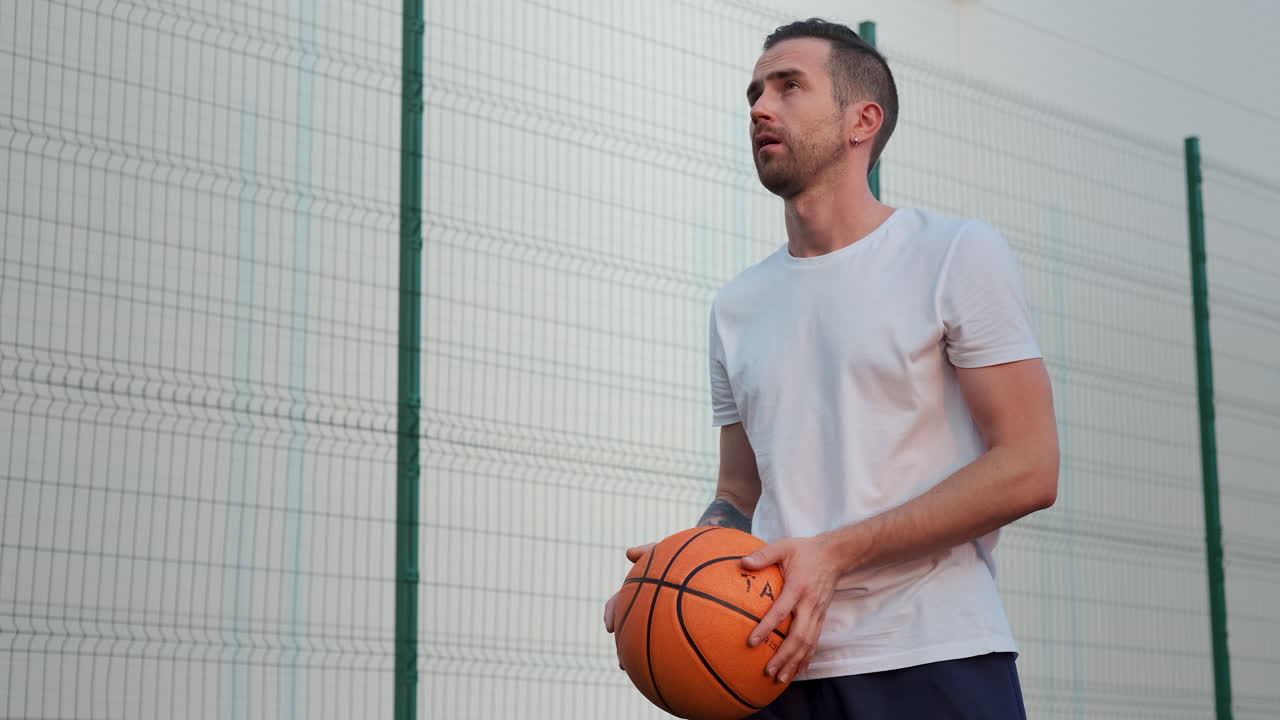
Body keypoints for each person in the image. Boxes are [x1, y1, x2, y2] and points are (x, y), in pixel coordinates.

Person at [604, 17, 1059, 719]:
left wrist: (833, 553)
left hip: (933, 652)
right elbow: (737, 490)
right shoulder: (737, 305)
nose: (759, 106)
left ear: (862, 122)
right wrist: (677, 566)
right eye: (755, 91)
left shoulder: (955, 254)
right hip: (772, 662)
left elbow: (1029, 466)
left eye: (789, 87)